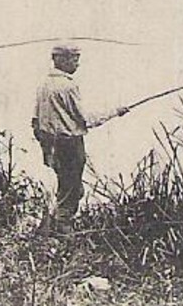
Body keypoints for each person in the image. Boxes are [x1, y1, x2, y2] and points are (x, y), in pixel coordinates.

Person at [32, 44, 126, 230]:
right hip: (69, 144)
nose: (77, 63)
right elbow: (85, 119)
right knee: (72, 188)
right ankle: (62, 229)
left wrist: (44, 142)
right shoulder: (68, 86)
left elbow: (35, 119)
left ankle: (54, 224)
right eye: (74, 59)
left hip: (51, 143)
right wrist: (115, 112)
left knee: (65, 184)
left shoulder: (44, 84)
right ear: (61, 60)